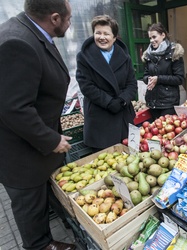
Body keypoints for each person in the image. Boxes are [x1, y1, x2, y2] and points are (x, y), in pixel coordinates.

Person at [0, 0, 76, 249]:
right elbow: (14, 108)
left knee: (39, 203)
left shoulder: (30, 32)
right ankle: (41, 245)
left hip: (32, 147)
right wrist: (51, 139)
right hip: (20, 155)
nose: (70, 22)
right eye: (68, 17)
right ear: (55, 18)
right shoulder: (17, 42)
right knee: (29, 206)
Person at [76, 15, 138, 151]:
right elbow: (86, 85)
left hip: (122, 113)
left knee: (128, 157)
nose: (101, 37)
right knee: (104, 161)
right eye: (98, 33)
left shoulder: (124, 56)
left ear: (114, 37)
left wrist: (122, 100)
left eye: (106, 33)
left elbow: (132, 83)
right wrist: (109, 102)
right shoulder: (84, 57)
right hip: (100, 115)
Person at [142, 22, 185, 119]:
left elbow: (179, 79)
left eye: (154, 37)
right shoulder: (148, 55)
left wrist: (158, 79)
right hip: (152, 102)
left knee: (166, 131)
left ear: (163, 35)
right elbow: (145, 75)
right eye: (150, 38)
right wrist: (148, 79)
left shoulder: (174, 53)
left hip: (168, 103)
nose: (152, 40)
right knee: (154, 131)